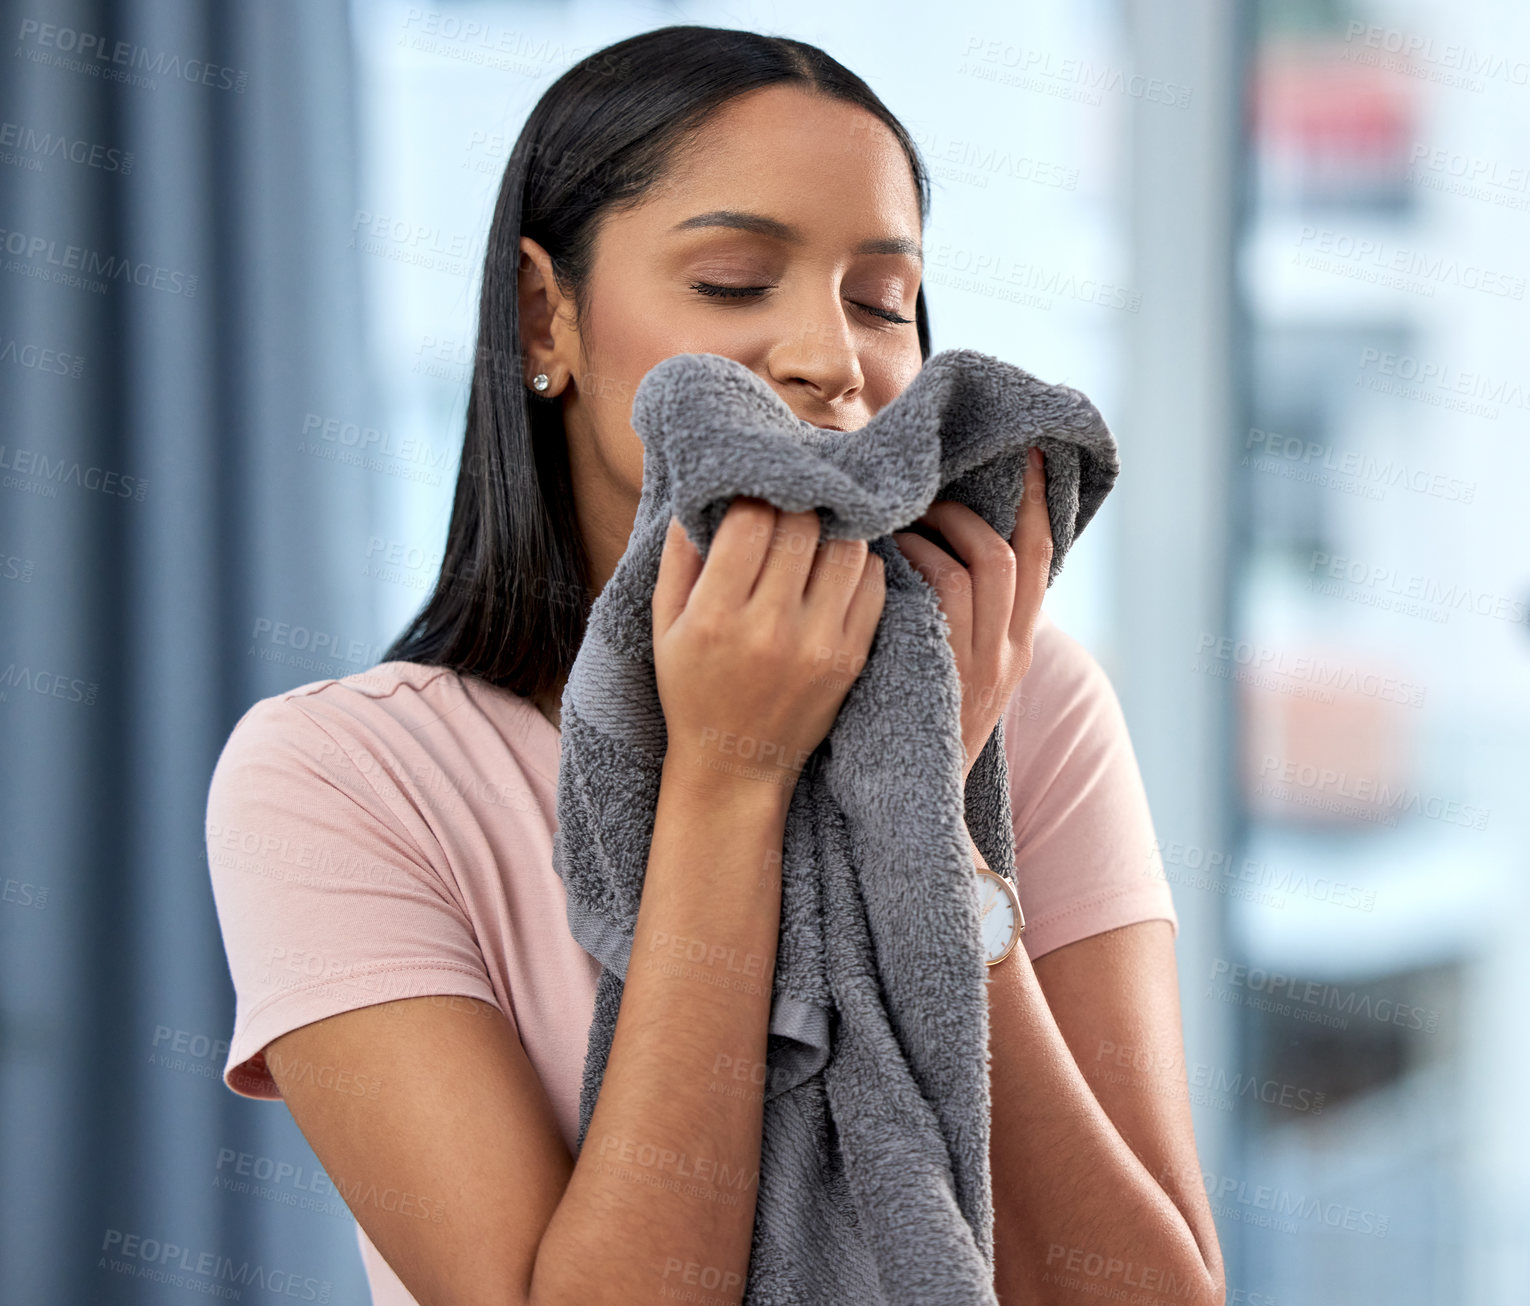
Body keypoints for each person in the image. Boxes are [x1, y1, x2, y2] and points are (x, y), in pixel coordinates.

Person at [205, 24, 1225, 1306]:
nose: (832, 360)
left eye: (880, 301)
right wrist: (732, 775)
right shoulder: (340, 779)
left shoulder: (1028, 700)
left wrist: (926, 818)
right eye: (737, 281)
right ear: (545, 316)